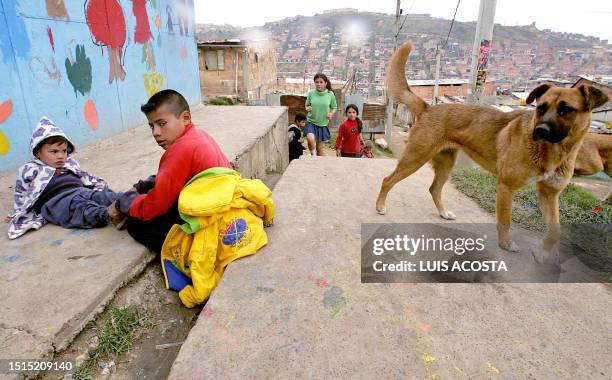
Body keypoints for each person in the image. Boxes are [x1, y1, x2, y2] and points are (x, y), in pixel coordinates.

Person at [110, 89, 231, 253]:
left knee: (137, 225)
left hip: (209, 220)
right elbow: (167, 178)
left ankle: (187, 250)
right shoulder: (199, 135)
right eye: (151, 126)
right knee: (148, 188)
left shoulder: (179, 150)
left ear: (186, 118)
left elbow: (154, 207)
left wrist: (123, 203)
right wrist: (140, 188)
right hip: (220, 204)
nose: (155, 133)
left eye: (162, 123)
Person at [5, 117, 122, 239]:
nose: (61, 156)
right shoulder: (29, 169)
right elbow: (21, 193)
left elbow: (83, 175)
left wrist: (96, 186)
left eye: (64, 151)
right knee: (80, 208)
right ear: (37, 152)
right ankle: (108, 214)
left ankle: (127, 201)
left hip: (80, 191)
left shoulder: (69, 163)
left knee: (101, 196)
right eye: (54, 152)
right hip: (57, 201)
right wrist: (18, 213)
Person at [305, 73, 337, 156]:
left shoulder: (330, 94)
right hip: (311, 121)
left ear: (326, 83)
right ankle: (312, 154)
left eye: (321, 82)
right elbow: (307, 105)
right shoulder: (311, 93)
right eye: (316, 82)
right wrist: (307, 108)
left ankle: (318, 164)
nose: (319, 84)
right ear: (314, 83)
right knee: (310, 138)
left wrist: (331, 113)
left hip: (322, 124)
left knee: (320, 151)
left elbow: (334, 107)